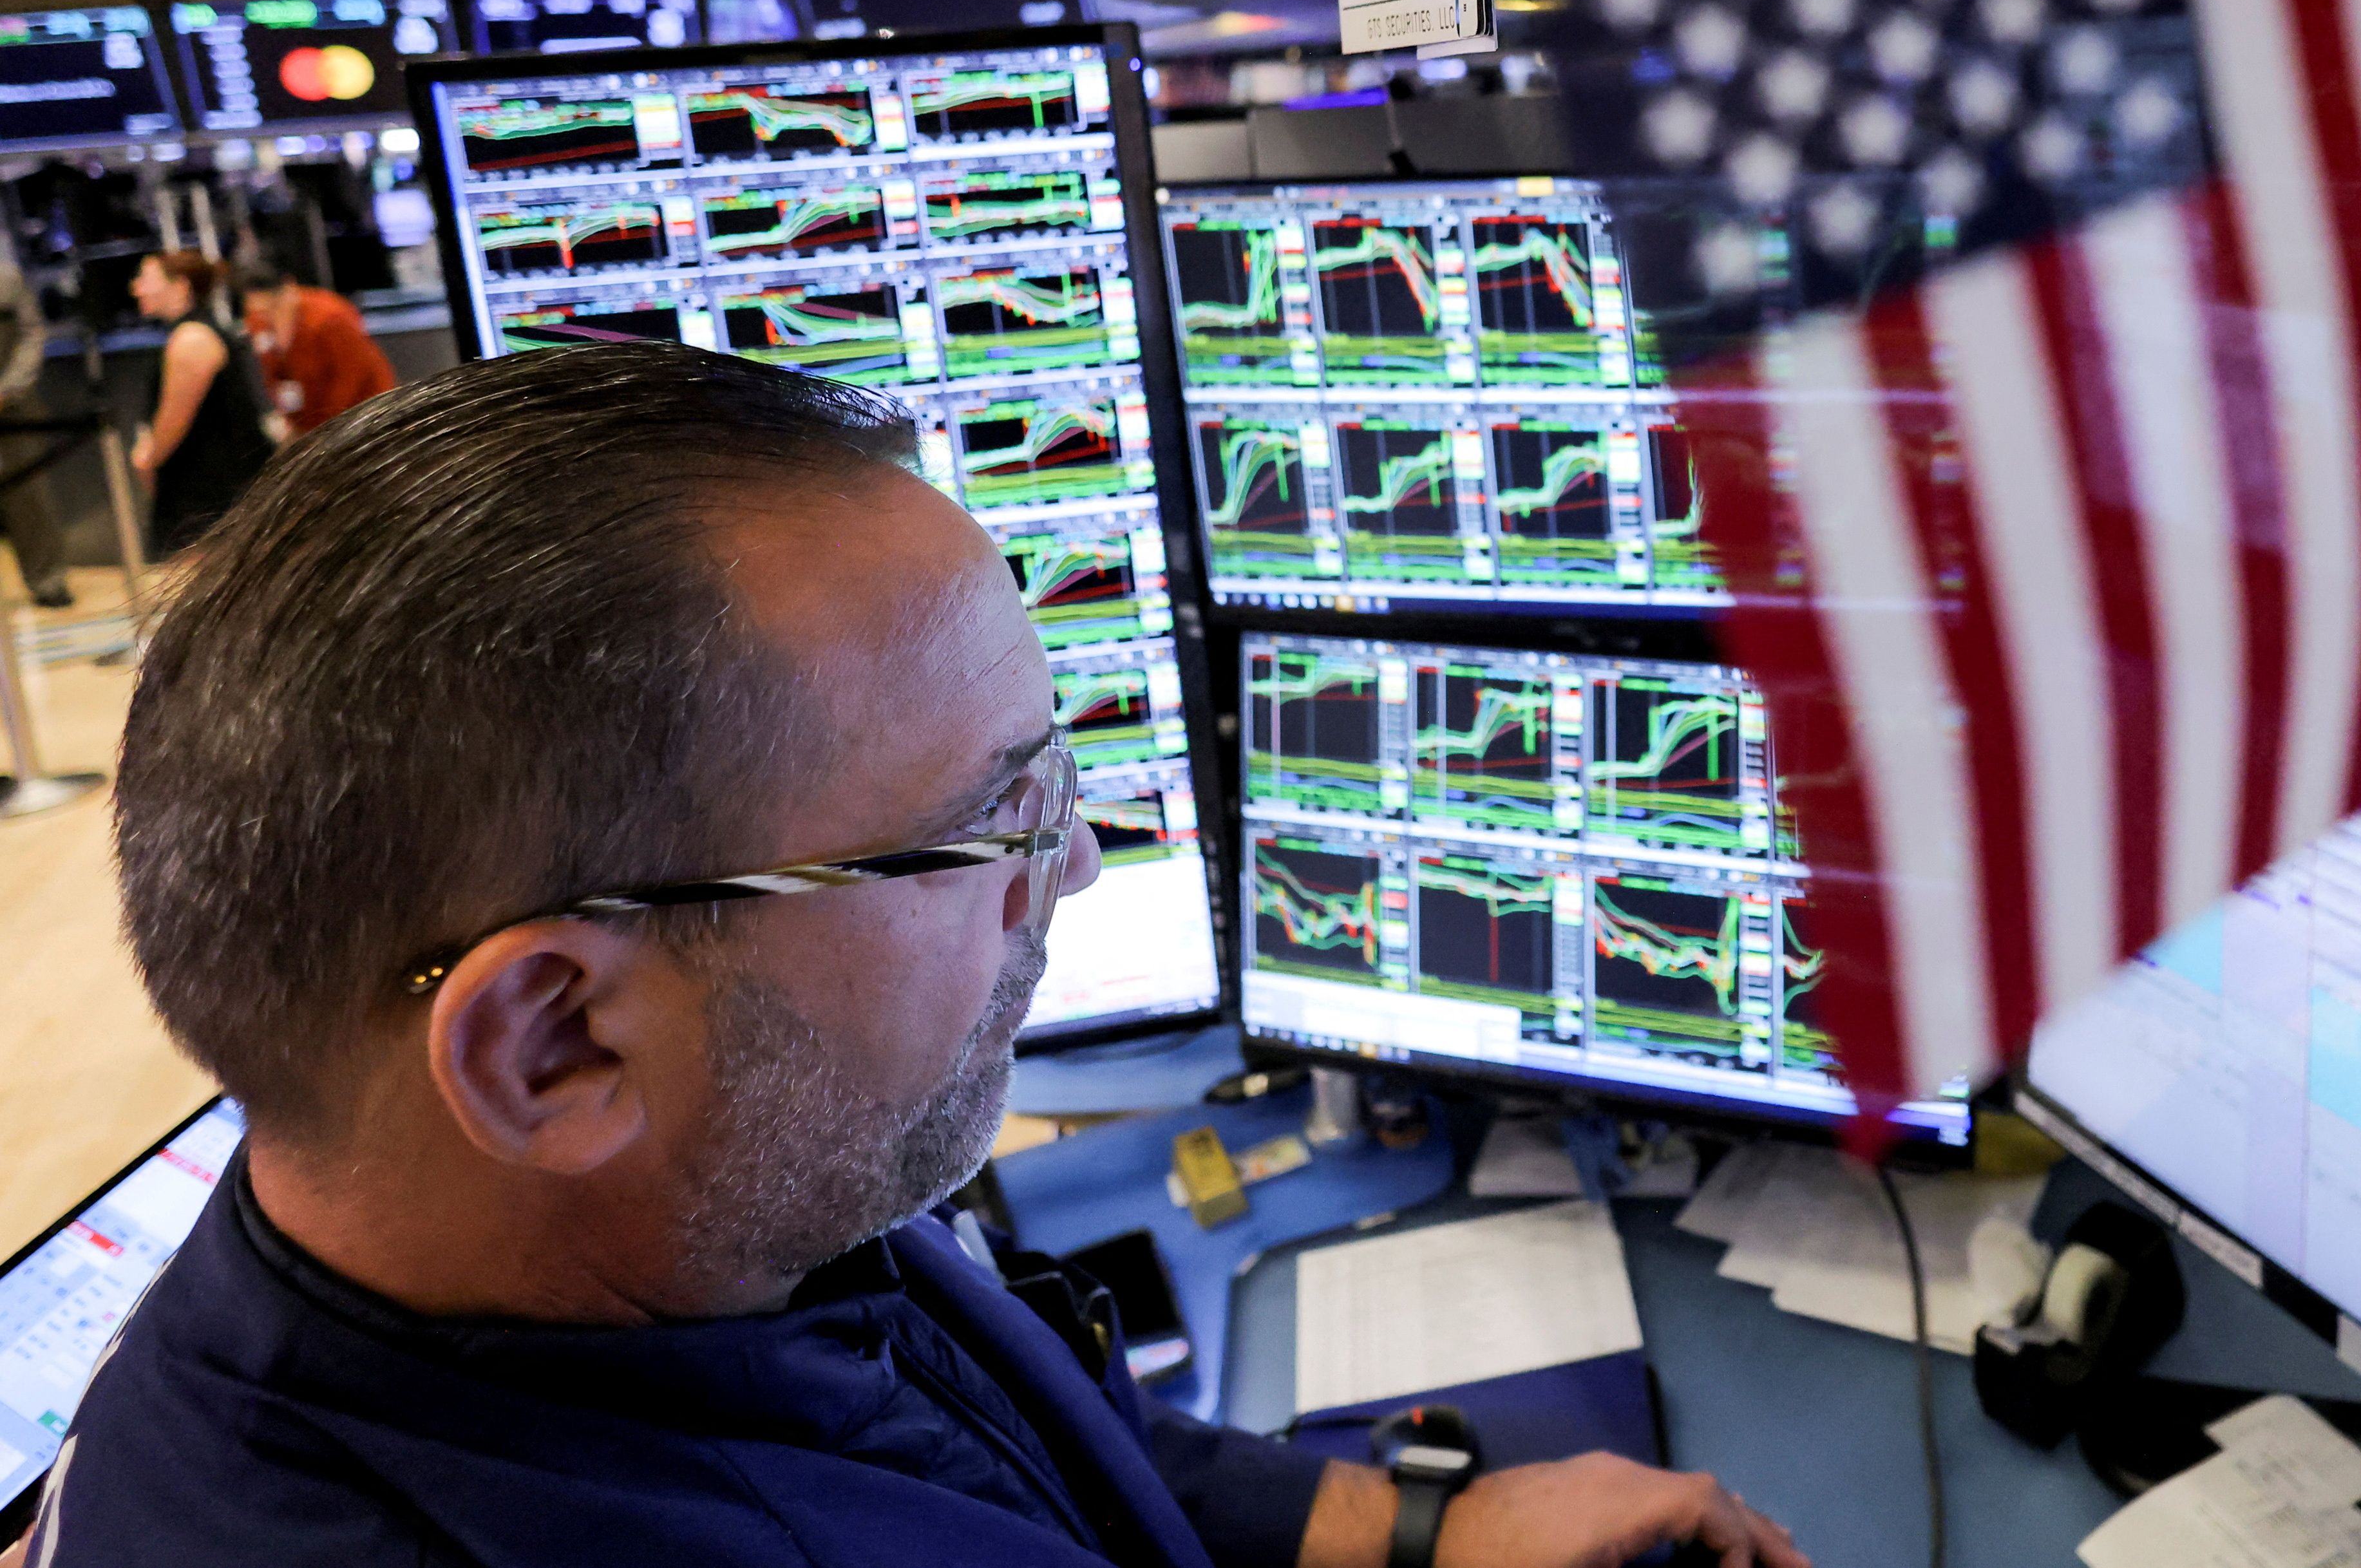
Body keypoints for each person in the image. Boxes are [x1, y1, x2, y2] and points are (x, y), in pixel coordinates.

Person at [38, 345, 1804, 1568]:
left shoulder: (651, 1208)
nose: (1078, 867)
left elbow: (971, 1423)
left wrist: (1415, 1527)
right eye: (995, 827)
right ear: (551, 1045)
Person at [123, 251, 275, 559]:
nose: (136, 288)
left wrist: (150, 456)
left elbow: (174, 420)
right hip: (212, 482)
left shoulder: (192, 338)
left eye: (146, 280)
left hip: (216, 487)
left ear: (180, 287)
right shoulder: (190, 332)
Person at [234, 259, 399, 435]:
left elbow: (352, 376)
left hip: (361, 413)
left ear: (289, 288)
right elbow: (272, 372)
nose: (268, 317)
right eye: (261, 312)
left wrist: (327, 429)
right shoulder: (258, 320)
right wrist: (292, 420)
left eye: (274, 308)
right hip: (308, 420)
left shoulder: (330, 316)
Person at [0, 251, 71, 610]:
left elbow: (32, 334)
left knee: (29, 497)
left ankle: (49, 581)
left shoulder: (6, 277)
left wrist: (9, 388)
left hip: (13, 409)